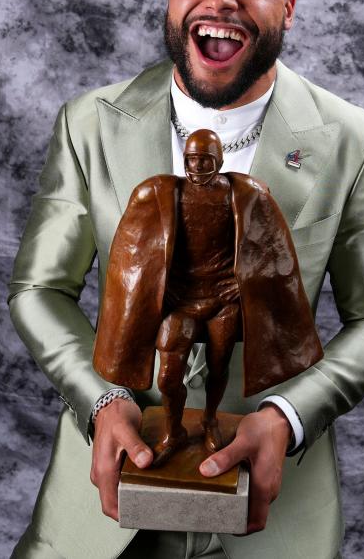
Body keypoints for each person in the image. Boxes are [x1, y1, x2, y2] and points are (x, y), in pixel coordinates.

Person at [7, 0, 364, 559]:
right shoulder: (88, 124)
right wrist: (103, 399)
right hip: (109, 486)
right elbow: (37, 287)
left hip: (277, 500)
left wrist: (287, 416)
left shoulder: (352, 139)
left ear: (289, 8)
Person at [92, 128, 323, 467]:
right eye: (192, 159)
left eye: (205, 160)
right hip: (182, 301)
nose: (197, 167)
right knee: (168, 375)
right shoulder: (162, 193)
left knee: (219, 364)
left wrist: (243, 282)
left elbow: (272, 251)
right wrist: (159, 282)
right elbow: (133, 253)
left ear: (219, 160)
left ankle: (210, 419)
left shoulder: (240, 194)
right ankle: (174, 430)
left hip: (222, 300)